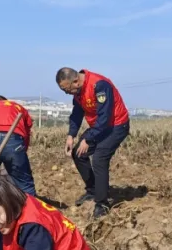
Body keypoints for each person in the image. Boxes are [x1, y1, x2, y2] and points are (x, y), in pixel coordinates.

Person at [55, 67, 131, 218]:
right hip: (100, 126)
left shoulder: (100, 85)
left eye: (67, 89)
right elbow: (77, 114)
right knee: (78, 154)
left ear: (76, 81)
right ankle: (93, 190)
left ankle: (102, 203)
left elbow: (105, 117)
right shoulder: (78, 92)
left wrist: (89, 139)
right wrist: (71, 135)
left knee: (99, 158)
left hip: (116, 125)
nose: (67, 93)